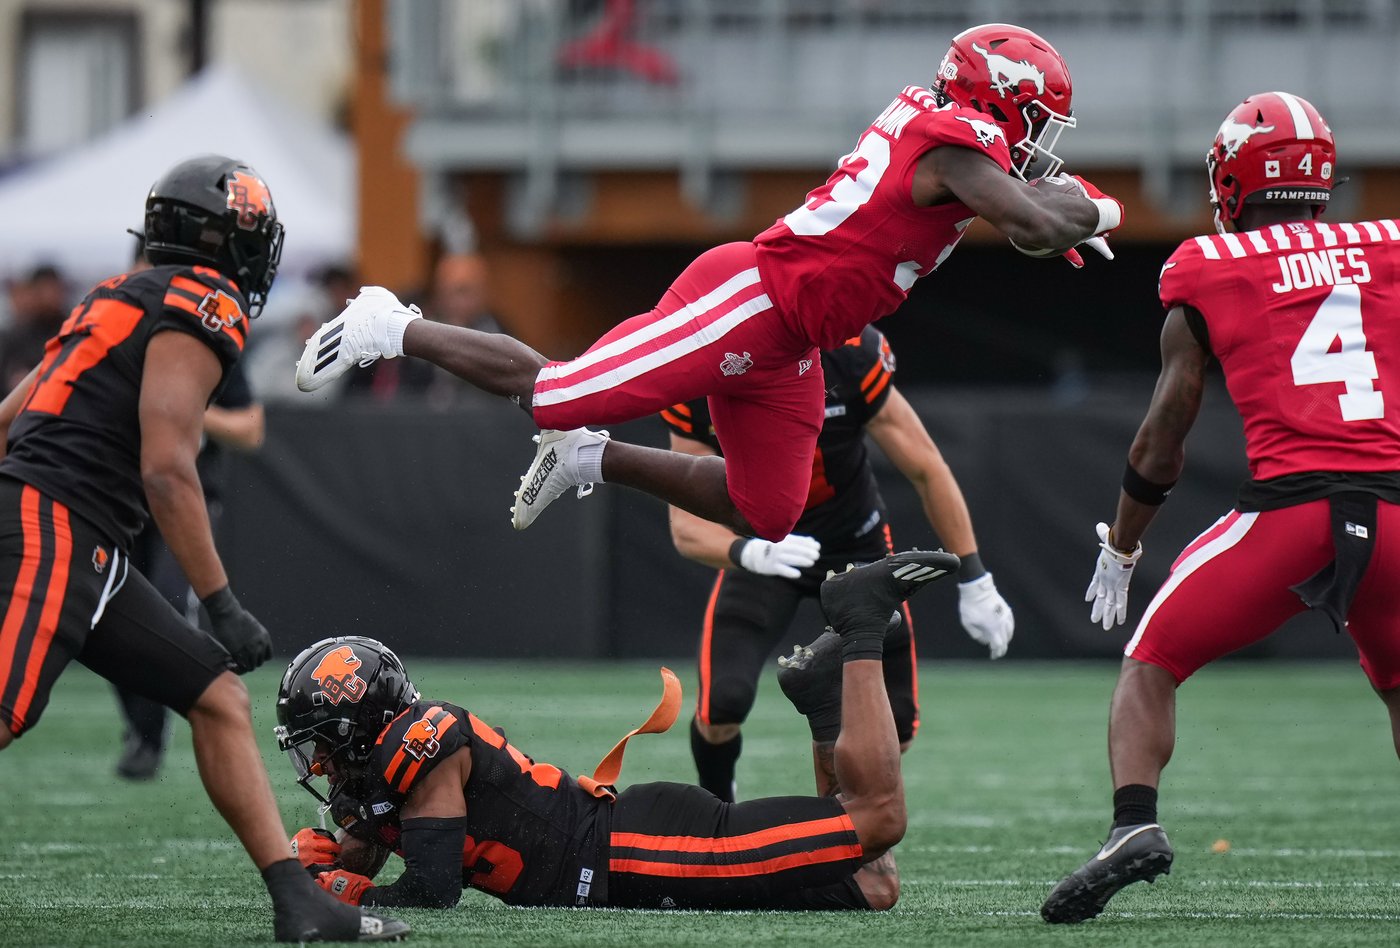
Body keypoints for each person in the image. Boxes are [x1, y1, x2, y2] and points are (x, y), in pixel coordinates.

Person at [295, 23, 1122, 542]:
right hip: (751, 301)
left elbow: (1032, 219)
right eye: (1040, 120)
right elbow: (1036, 226)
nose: (1042, 140)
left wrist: (1066, 209)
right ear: (1000, 100)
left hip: (793, 339)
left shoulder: (948, 139)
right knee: (552, 394)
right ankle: (390, 324)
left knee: (769, 511)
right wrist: (1098, 205)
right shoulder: (951, 143)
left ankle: (592, 461)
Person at [0, 154, 405, 942]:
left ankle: (298, 904)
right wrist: (221, 603)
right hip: (60, 518)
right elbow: (165, 467)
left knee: (216, 698)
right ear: (217, 238)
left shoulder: (113, 296)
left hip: (79, 532)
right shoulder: (203, 298)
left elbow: (10, 414)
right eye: (249, 236)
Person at [1042, 92, 1400, 924]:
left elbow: (1163, 435)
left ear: (1233, 177)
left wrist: (1124, 546)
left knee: (1151, 659)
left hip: (1293, 514)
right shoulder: (1388, 245)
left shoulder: (1208, 265)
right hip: (1396, 511)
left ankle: (1133, 825)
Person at [276, 549, 957, 911]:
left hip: (642, 848)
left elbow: (430, 893)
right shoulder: (373, 778)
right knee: (873, 884)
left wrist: (335, 885)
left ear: (365, 724)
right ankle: (822, 701)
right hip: (631, 849)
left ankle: (861, 621)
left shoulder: (423, 746)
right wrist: (323, 873)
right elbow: (350, 860)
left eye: (326, 741)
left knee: (876, 822)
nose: (321, 762)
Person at [666, 326, 1013, 802]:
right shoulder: (705, 370)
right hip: (768, 550)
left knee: (898, 727)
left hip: (853, 545)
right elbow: (686, 526)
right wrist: (751, 551)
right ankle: (718, 808)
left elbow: (926, 466)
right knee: (721, 705)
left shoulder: (849, 354)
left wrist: (975, 578)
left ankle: (846, 825)